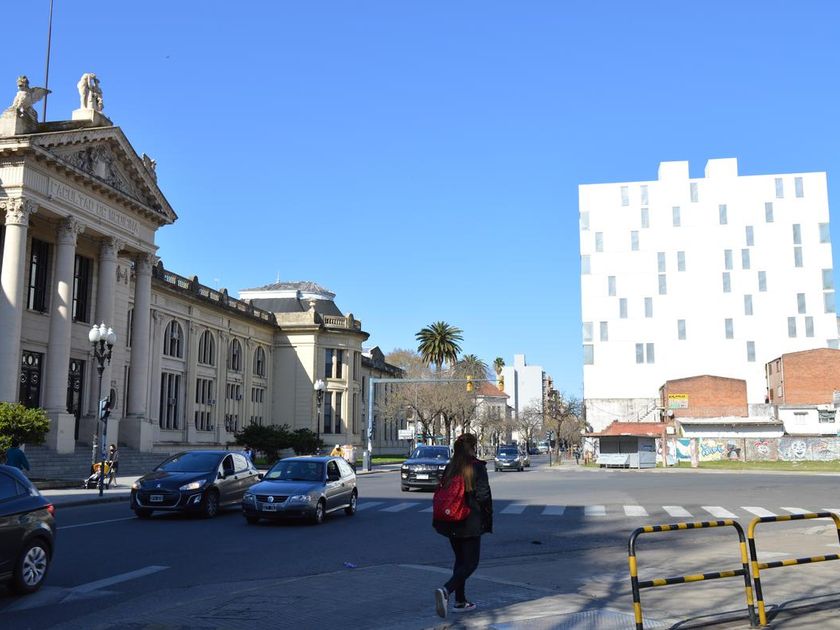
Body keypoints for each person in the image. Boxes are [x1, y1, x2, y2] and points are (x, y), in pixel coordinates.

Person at [432, 433, 493, 618]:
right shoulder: (477, 467)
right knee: (471, 563)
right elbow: (483, 496)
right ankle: (446, 590)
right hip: (470, 521)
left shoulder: (451, 467)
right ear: (473, 447)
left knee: (460, 561)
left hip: (451, 520)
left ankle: (460, 601)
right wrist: (486, 516)